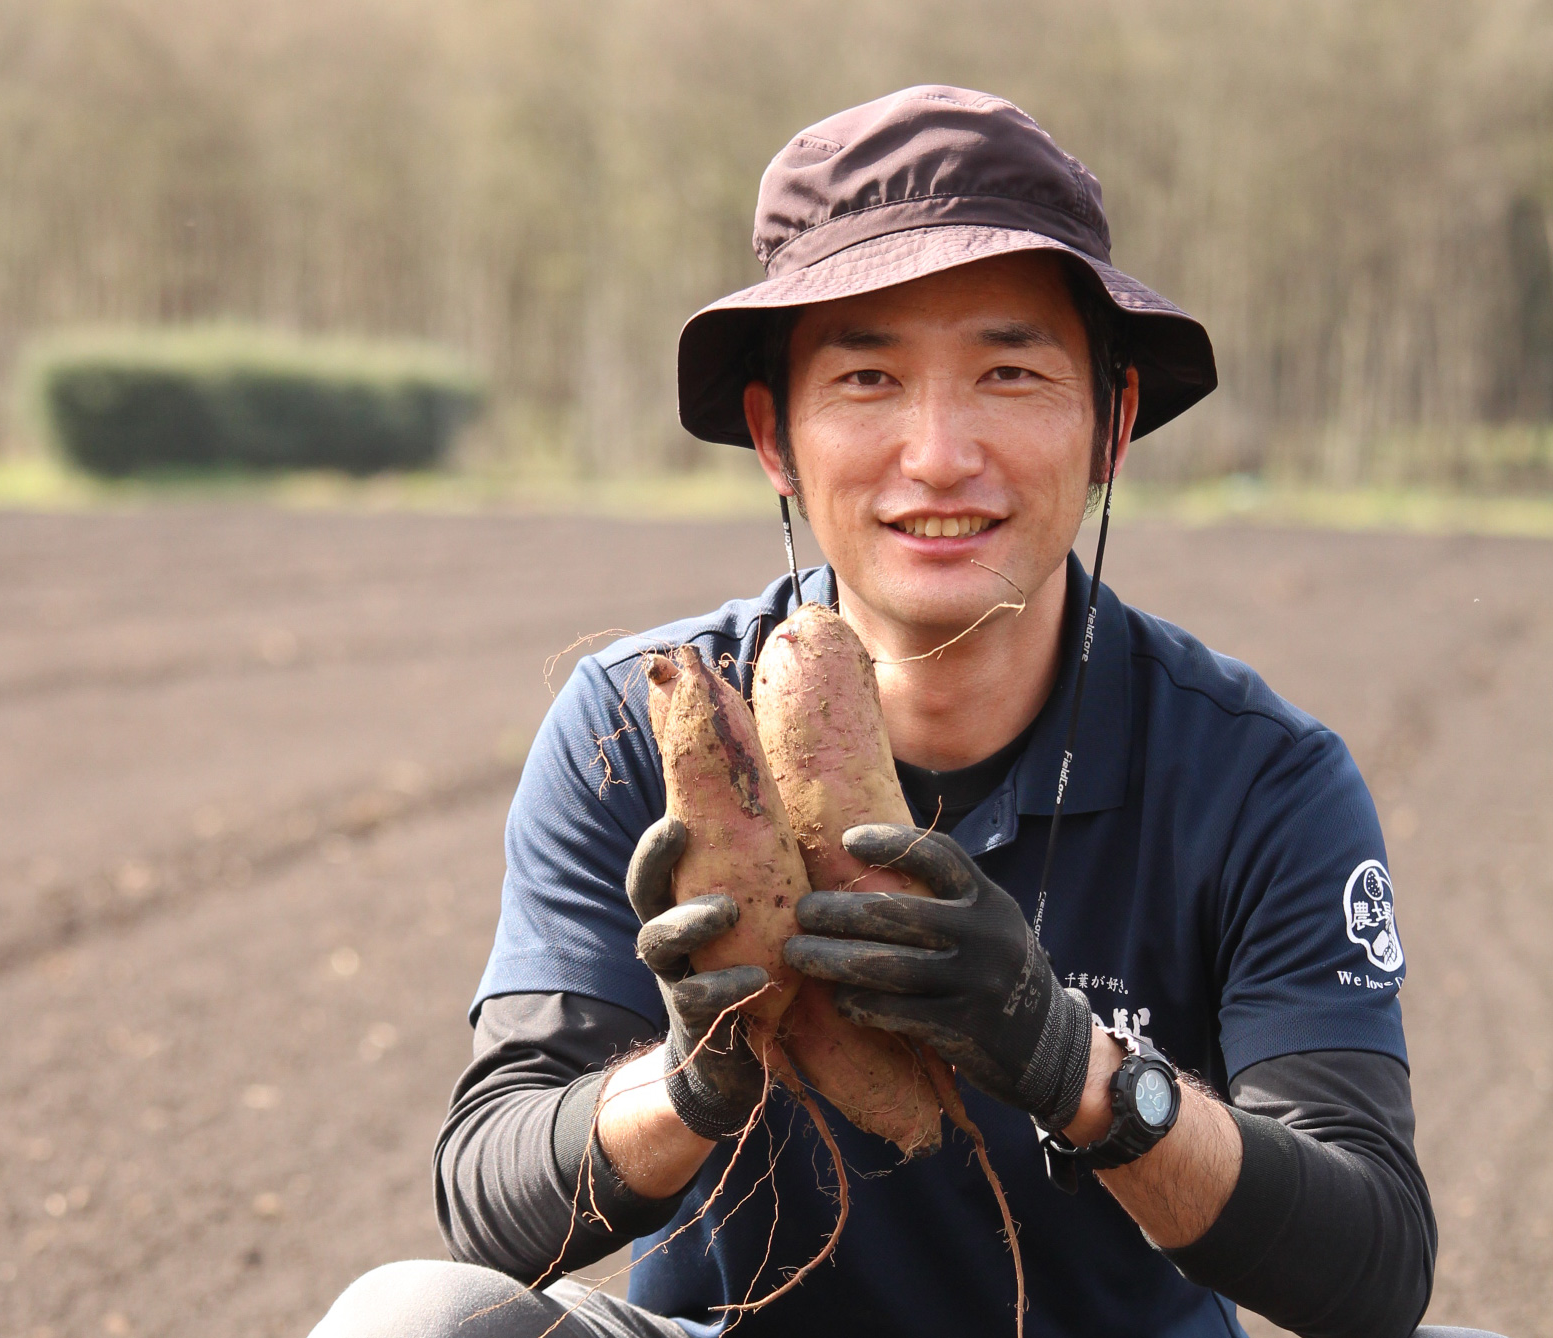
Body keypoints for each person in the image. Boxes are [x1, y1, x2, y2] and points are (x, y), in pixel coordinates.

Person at [312, 87, 1482, 1338]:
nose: (937, 454)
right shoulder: (646, 726)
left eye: (1010, 371)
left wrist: (1067, 1061)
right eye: (867, 376)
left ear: (1113, 426)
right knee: (411, 1321)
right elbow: (488, 1209)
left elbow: (1373, 1270)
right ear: (775, 436)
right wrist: (689, 1078)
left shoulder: (1257, 778)